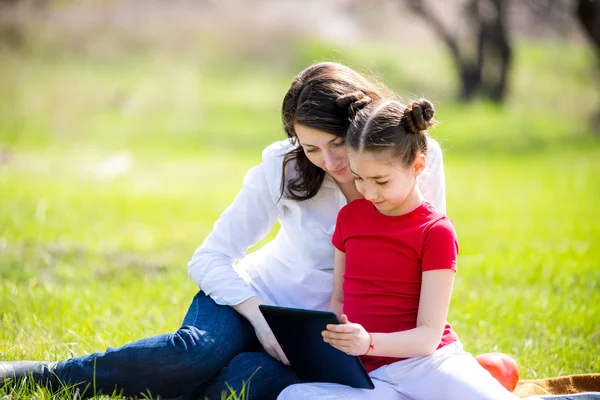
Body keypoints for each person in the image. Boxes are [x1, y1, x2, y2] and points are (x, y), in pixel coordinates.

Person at [0, 63, 446, 400]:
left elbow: (424, 262)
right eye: (311, 148)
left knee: (247, 383)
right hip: (254, 300)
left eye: (335, 143)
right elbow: (209, 257)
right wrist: (259, 319)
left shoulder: (414, 158)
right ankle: (41, 375)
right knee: (191, 354)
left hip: (323, 337)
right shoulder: (283, 165)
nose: (330, 163)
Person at [278, 98, 518, 400]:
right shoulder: (349, 219)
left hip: (428, 365)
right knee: (293, 396)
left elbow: (428, 338)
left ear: (417, 166)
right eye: (359, 178)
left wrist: (368, 343)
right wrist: (329, 342)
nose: (368, 192)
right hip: (369, 376)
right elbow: (338, 300)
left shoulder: (436, 231)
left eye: (381, 181)